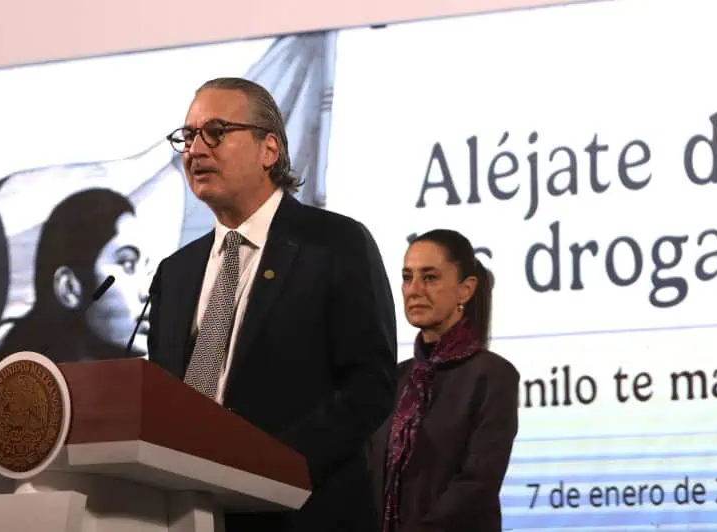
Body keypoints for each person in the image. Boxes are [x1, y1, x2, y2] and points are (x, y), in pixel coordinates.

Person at [147, 77, 397, 532]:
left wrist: (270, 468)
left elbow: (370, 386)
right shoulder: (175, 272)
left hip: (302, 513)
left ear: (270, 150)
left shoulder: (335, 245)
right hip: (189, 515)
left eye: (216, 132)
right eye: (188, 136)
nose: (196, 150)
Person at [368, 229, 520, 532]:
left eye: (430, 277)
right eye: (407, 277)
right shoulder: (396, 379)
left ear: (465, 290)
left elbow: (477, 483)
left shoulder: (492, 376)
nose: (414, 290)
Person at [0, 187, 151, 368]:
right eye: (128, 264)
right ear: (69, 287)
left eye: (147, 269)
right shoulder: (15, 384)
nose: (148, 291)